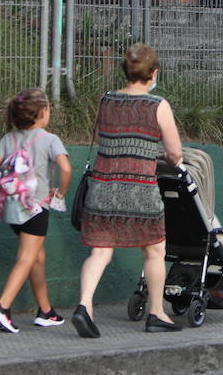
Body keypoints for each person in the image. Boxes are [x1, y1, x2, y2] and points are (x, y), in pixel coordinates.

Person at [71, 43, 184, 337]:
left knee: (100, 252)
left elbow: (100, 136)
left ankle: (84, 305)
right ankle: (157, 313)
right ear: (153, 73)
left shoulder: (106, 100)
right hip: (140, 190)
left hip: (103, 189)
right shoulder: (158, 105)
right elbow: (174, 153)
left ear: (126, 71)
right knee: (155, 250)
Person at [0, 88, 72, 334]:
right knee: (26, 257)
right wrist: (60, 194)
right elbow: (65, 169)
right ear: (43, 112)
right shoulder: (50, 139)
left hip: (13, 209)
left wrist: (0, 196)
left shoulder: (7, 139)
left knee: (36, 256)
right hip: (36, 208)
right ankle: (2, 307)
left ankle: (46, 311)